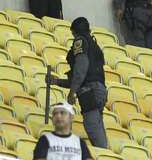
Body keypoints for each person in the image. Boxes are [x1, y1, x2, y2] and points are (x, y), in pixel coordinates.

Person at [46, 17, 108, 148]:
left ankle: (104, 156)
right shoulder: (94, 44)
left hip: (89, 90)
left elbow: (81, 68)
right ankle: (104, 154)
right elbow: (82, 76)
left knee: (92, 125)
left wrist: (72, 92)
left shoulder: (80, 41)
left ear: (74, 32)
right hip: (100, 89)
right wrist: (57, 81)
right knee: (97, 124)